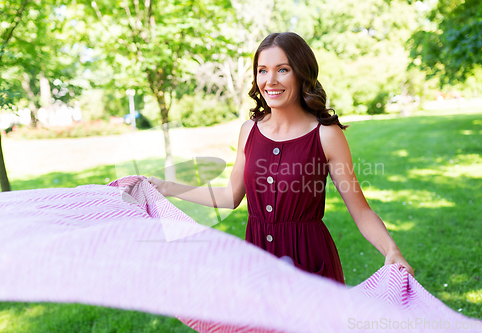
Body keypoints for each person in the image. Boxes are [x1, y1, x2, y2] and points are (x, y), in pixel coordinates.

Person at [148, 32, 414, 284]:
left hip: (310, 264)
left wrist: (391, 250)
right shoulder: (249, 130)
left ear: (301, 74)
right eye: (262, 70)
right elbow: (230, 196)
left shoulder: (326, 135)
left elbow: (361, 211)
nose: (270, 80)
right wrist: (167, 187)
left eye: (282, 70)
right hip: (258, 262)